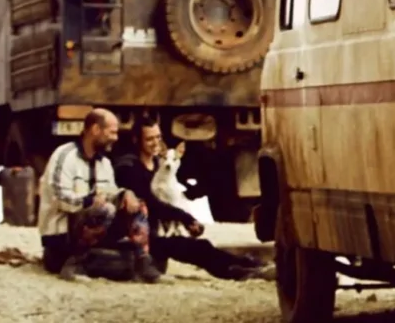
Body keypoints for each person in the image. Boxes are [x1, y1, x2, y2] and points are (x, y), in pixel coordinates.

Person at [111, 118, 270, 281]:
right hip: (141, 236)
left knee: (201, 245)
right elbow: (151, 204)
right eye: (149, 139)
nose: (155, 143)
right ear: (136, 140)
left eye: (158, 137)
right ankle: (235, 271)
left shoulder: (162, 165)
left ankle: (245, 264)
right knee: (193, 248)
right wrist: (184, 217)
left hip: (160, 231)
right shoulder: (129, 168)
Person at [37, 108, 162, 283]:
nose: (116, 138)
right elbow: (59, 198)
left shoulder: (104, 163)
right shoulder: (65, 155)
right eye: (112, 132)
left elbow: (111, 193)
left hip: (95, 233)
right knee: (103, 209)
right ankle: (74, 264)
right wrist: (89, 201)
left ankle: (143, 263)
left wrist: (125, 194)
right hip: (62, 236)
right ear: (96, 130)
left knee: (136, 204)